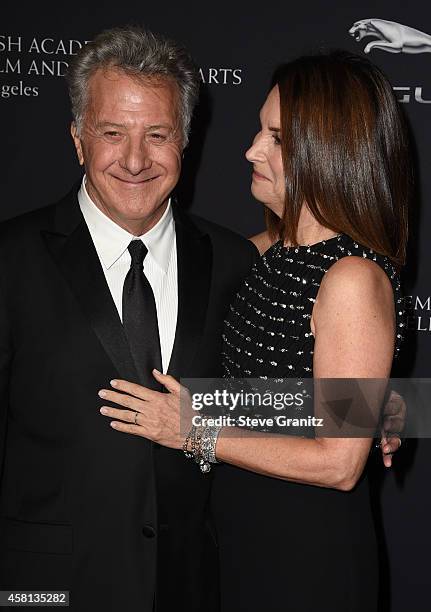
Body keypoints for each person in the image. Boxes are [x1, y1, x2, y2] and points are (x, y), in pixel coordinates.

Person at [100, 51, 410, 611]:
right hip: (234, 540)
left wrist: (193, 429)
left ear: (330, 152)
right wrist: (391, 406)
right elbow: (279, 392)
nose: (250, 150)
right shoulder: (262, 252)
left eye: (277, 138)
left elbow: (340, 464)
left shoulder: (350, 279)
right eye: (259, 131)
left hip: (304, 552)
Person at [0, 26, 258, 612]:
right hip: (43, 593)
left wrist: (372, 413)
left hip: (191, 589)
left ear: (185, 142)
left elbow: (265, 406)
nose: (136, 160)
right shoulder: (10, 259)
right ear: (77, 140)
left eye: (158, 135)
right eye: (112, 134)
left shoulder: (233, 262)